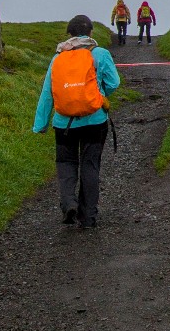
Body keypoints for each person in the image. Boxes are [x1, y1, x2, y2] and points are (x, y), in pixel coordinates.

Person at [34, 14, 121, 227]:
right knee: (90, 166)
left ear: (69, 34)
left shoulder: (58, 59)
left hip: (64, 124)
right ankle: (88, 217)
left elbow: (48, 93)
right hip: (95, 121)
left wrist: (41, 124)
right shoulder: (99, 54)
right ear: (91, 32)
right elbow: (114, 83)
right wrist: (98, 96)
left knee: (66, 164)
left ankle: (68, 203)